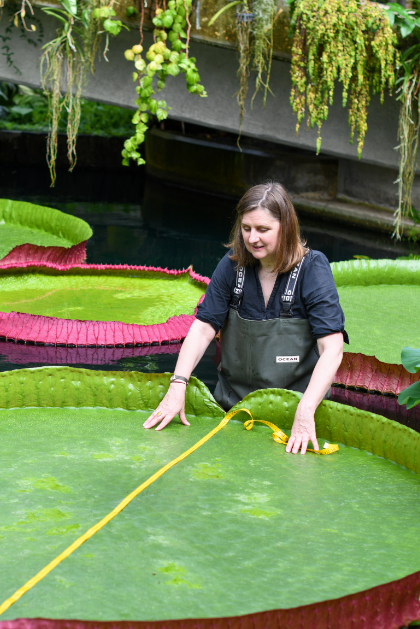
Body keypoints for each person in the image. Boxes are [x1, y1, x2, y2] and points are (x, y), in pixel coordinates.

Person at [142, 182, 347, 453]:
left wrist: (306, 409)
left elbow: (332, 348)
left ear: (286, 227)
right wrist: (178, 384)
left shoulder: (313, 268)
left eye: (263, 229)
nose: (252, 238)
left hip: (297, 413)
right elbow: (203, 329)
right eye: (246, 228)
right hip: (233, 411)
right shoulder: (232, 265)